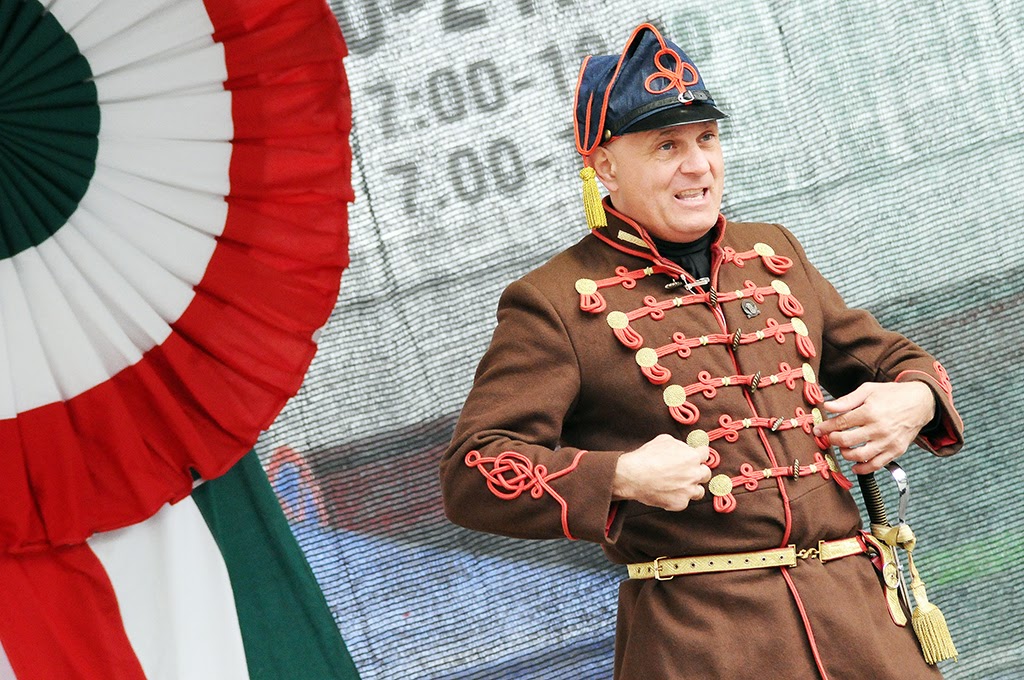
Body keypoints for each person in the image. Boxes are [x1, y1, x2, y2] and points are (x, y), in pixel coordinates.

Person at [439, 22, 963, 680]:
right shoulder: (550, 301)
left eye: (707, 138)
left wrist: (915, 401)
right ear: (604, 166)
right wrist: (620, 476)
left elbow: (897, 363)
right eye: (667, 146)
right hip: (705, 647)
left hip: (863, 627)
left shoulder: (772, 253)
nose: (698, 166)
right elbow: (474, 472)